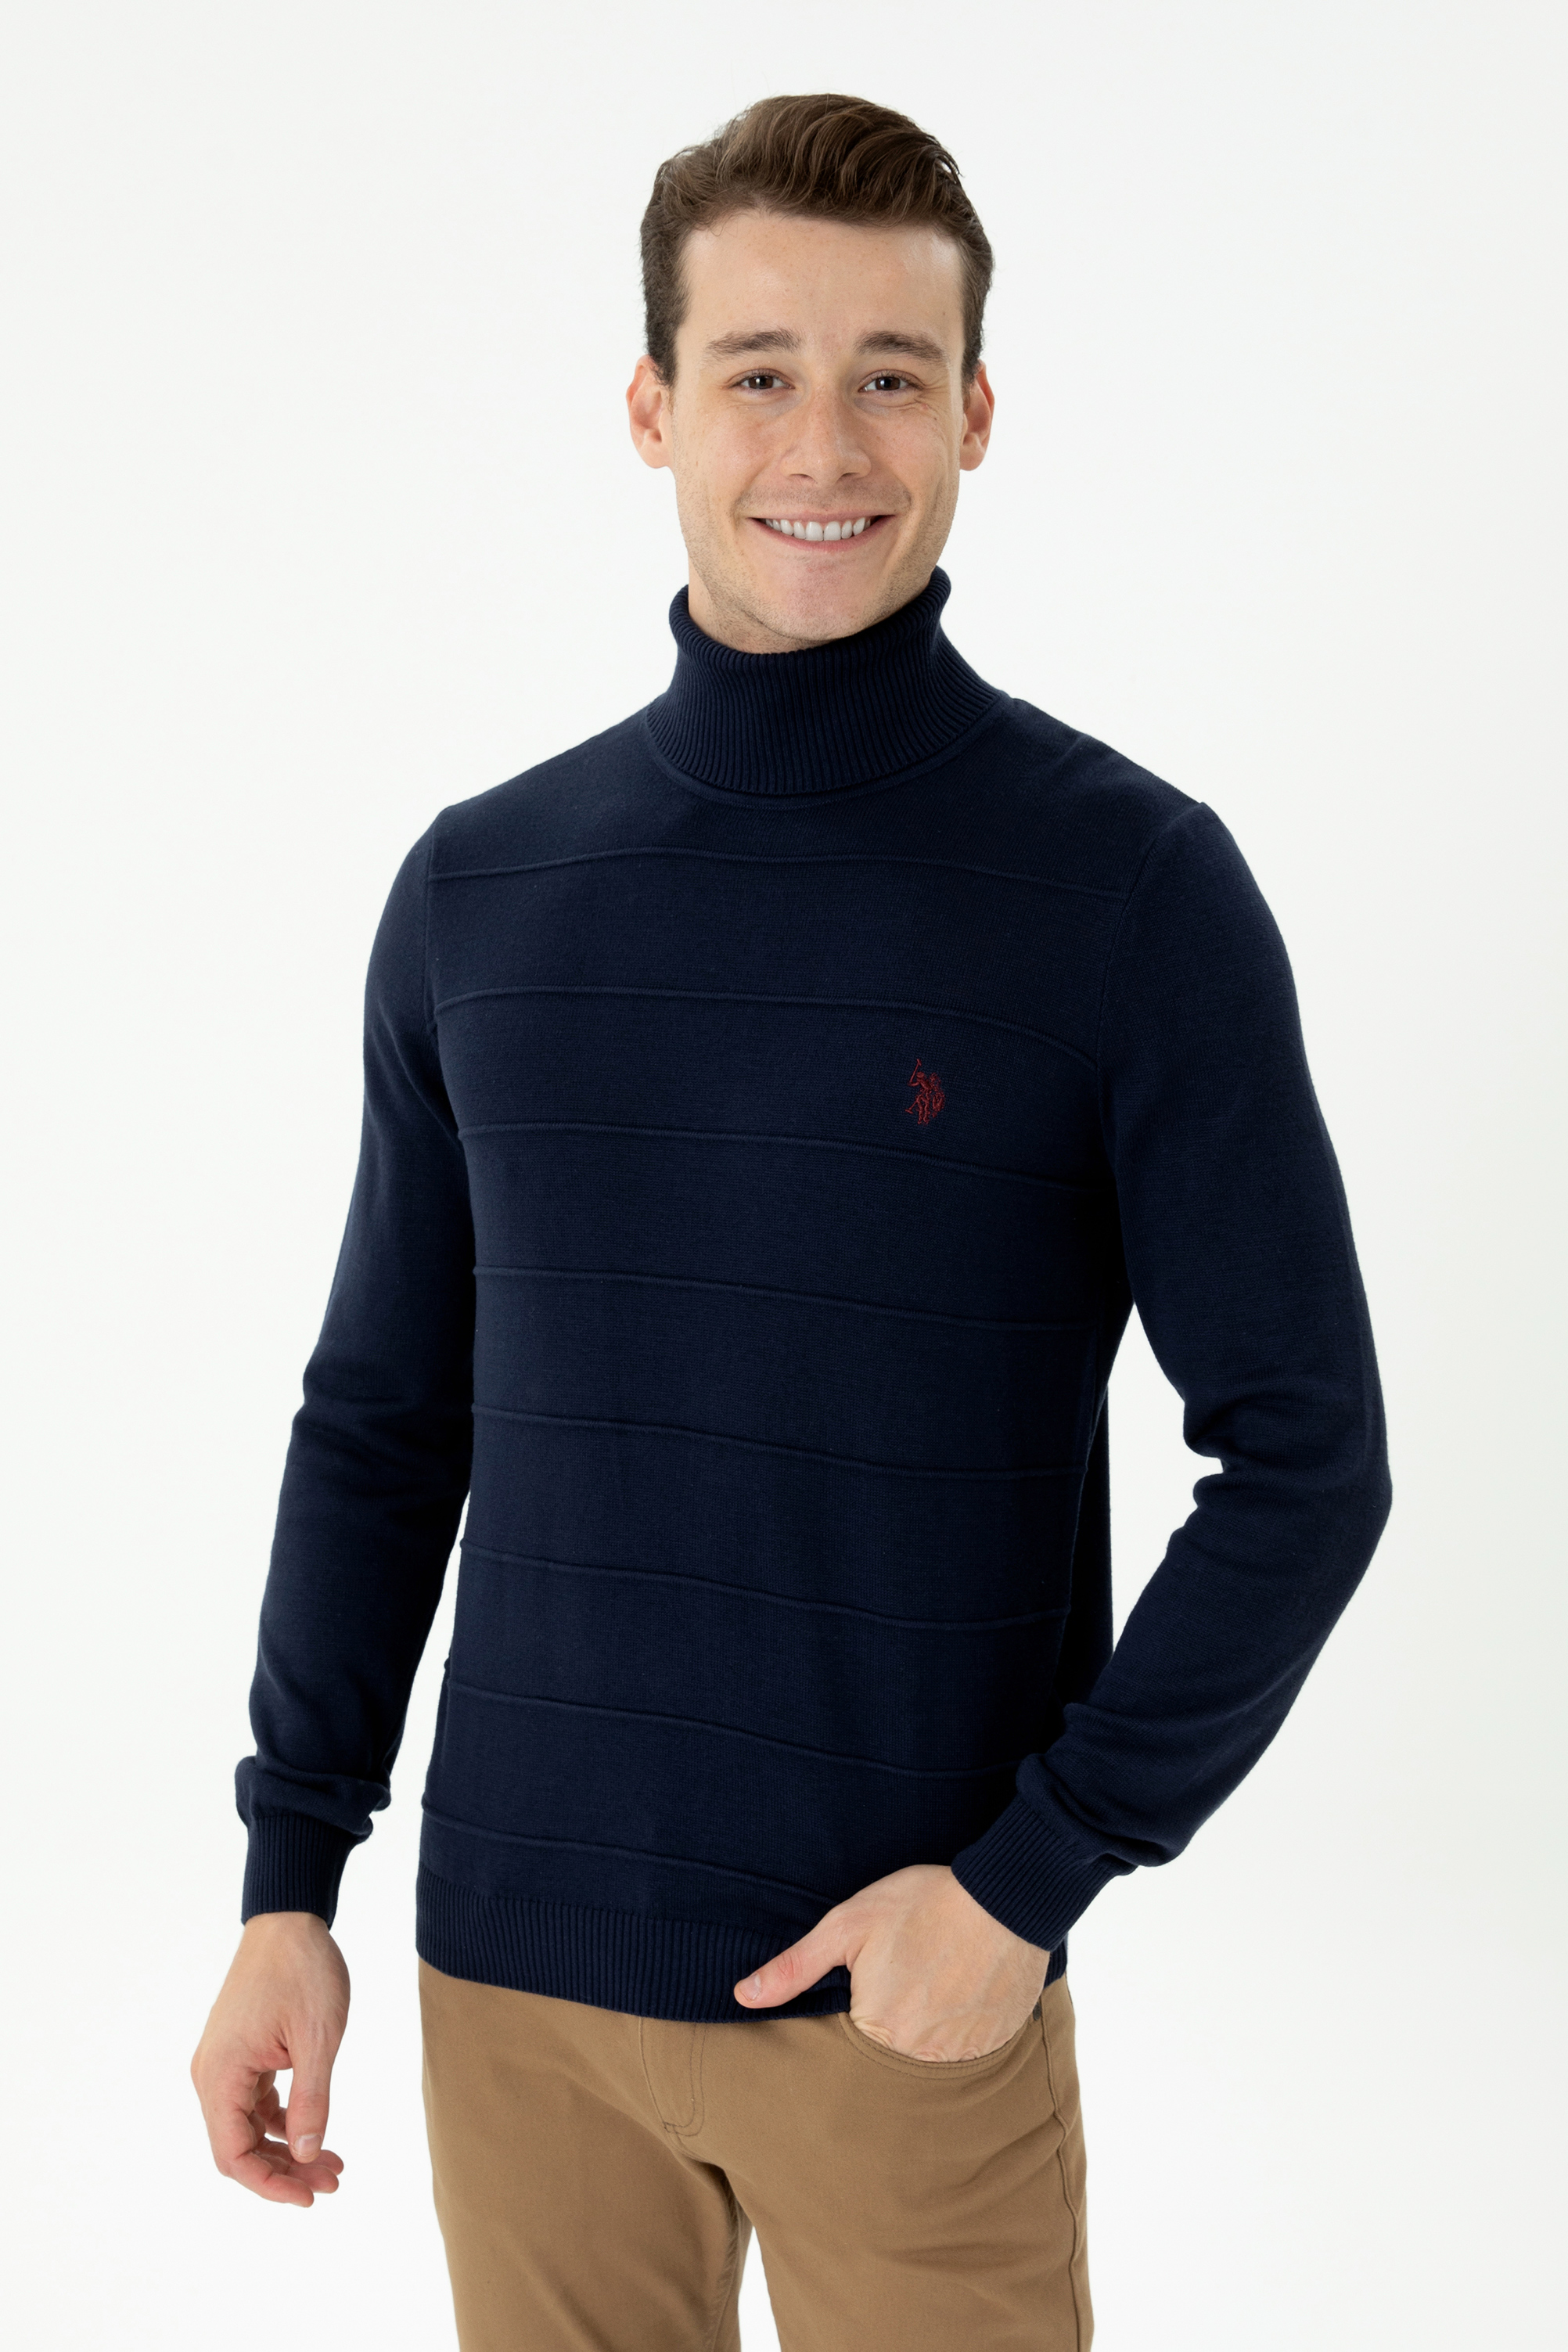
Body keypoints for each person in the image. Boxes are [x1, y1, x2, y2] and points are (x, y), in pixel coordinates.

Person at [191, 91, 1391, 2352]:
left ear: (976, 415)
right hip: (515, 1998)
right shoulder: (482, 892)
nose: (822, 444)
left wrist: (1030, 1883)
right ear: (652, 406)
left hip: (905, 2004)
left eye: (888, 376)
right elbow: (383, 1422)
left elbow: (1308, 1457)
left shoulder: (1127, 889)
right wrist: (288, 1882)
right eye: (757, 371)